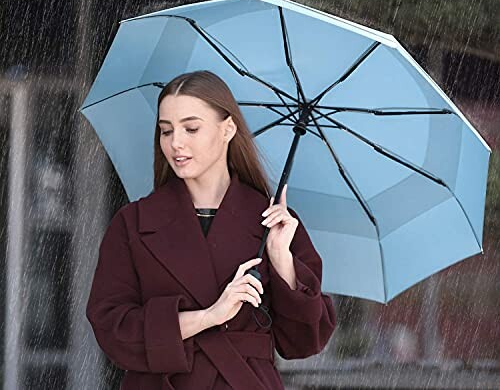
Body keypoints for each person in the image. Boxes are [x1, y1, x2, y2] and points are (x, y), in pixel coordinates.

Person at [86, 70, 337, 390]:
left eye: (191, 128)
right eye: (166, 131)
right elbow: (112, 328)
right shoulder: (133, 223)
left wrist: (282, 261)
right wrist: (209, 316)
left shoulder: (273, 224)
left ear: (227, 129)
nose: (176, 143)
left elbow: (305, 341)